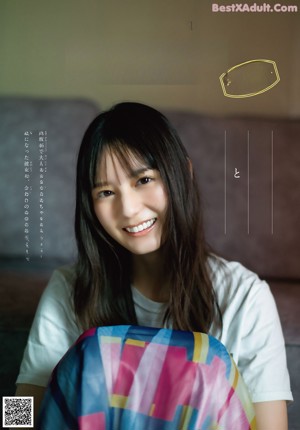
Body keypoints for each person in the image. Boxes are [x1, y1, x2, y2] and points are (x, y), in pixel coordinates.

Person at [16, 102, 292, 429]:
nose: (129, 209)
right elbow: (22, 403)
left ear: (183, 174)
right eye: (106, 192)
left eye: (143, 180)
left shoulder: (246, 297)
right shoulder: (68, 287)